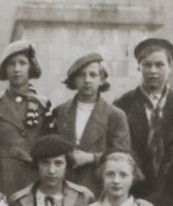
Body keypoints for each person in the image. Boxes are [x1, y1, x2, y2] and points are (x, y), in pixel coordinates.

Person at [114, 37, 173, 198]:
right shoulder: (123, 105)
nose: (153, 71)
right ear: (139, 67)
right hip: (134, 189)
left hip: (171, 190)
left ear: (170, 67)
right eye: (147, 65)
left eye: (159, 65)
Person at [0, 40, 55, 198]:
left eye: (22, 63)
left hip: (34, 181)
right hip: (2, 182)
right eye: (11, 64)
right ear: (5, 70)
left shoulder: (43, 106)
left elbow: (51, 149)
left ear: (31, 67)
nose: (17, 69)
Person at [51, 52, 132, 194]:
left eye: (93, 75)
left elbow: (123, 156)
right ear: (74, 80)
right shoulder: (60, 112)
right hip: (64, 186)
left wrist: (91, 158)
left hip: (98, 187)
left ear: (102, 79)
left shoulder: (115, 115)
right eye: (81, 75)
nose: (87, 80)